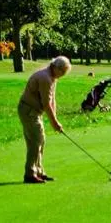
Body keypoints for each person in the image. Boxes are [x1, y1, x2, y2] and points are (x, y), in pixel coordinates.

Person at [18, 55, 71, 184]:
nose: (62, 75)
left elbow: (52, 100)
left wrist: (55, 120)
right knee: (35, 142)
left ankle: (39, 172)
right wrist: (54, 123)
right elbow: (46, 104)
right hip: (28, 111)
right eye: (62, 72)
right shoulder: (45, 78)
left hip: (35, 111)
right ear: (56, 67)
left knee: (41, 141)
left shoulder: (53, 78)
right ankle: (30, 174)